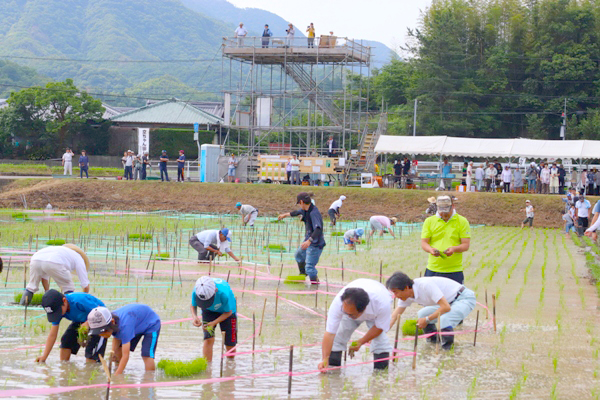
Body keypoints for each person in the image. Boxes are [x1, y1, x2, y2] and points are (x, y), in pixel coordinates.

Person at [387, 272, 476, 350]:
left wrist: (427, 320)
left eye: (396, 292)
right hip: (448, 302)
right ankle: (433, 344)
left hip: (463, 298)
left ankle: (447, 351)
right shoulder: (406, 295)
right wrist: (382, 331)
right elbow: (395, 316)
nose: (395, 295)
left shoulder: (425, 285)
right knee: (422, 314)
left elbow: (446, 307)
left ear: (406, 288)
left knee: (444, 319)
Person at [318, 279, 393, 372]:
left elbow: (379, 327)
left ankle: (380, 378)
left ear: (364, 309)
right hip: (353, 309)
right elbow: (329, 333)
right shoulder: (338, 304)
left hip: (375, 314)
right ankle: (334, 375)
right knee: (338, 338)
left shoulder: (382, 304)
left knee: (381, 343)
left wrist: (361, 341)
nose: (348, 315)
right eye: (346, 312)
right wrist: (325, 358)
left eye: (351, 314)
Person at [35, 289, 106, 364]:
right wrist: (44, 357)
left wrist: (88, 323)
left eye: (58, 312)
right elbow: (52, 335)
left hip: (100, 320)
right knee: (66, 341)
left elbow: (101, 312)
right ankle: (65, 367)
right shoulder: (57, 311)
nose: (57, 315)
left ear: (64, 301)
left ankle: (91, 367)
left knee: (91, 354)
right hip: (80, 321)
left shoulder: (79, 301)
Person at [87, 304, 161, 375]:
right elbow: (117, 337)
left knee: (146, 355)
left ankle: (149, 379)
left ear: (112, 322)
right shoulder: (111, 321)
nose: (101, 335)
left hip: (151, 324)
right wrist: (113, 353)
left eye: (102, 331)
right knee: (118, 350)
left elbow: (126, 356)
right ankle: (118, 368)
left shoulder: (125, 326)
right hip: (136, 323)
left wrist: (117, 375)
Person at [420, 195, 471, 284]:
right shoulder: (429, 221)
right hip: (433, 269)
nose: (444, 214)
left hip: (454, 270)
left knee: (455, 297)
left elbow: (465, 245)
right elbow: (424, 243)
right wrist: (430, 250)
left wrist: (454, 249)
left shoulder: (462, 221)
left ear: (453, 206)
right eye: (441, 212)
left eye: (446, 212)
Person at [278, 192, 326, 284]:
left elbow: (318, 229)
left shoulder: (314, 213)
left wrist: (309, 241)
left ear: (301, 202)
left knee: (310, 268)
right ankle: (302, 275)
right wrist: (285, 215)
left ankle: (315, 286)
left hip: (315, 243)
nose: (299, 206)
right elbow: (296, 212)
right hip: (308, 241)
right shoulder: (306, 210)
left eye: (299, 203)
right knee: (298, 255)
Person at [20, 244, 90, 305]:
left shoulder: (60, 251)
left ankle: (22, 306)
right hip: (55, 261)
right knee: (68, 287)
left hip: (35, 259)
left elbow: (44, 277)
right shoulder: (78, 258)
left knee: (31, 286)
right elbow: (85, 285)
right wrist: (84, 300)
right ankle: (68, 309)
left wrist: (47, 293)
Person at [189, 276, 237, 362]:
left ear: (215, 291)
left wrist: (214, 322)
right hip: (208, 311)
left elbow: (228, 312)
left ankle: (230, 366)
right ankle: (207, 367)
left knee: (230, 344)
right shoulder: (197, 290)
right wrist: (195, 317)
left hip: (227, 312)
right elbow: (193, 305)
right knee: (208, 339)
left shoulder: (223, 293)